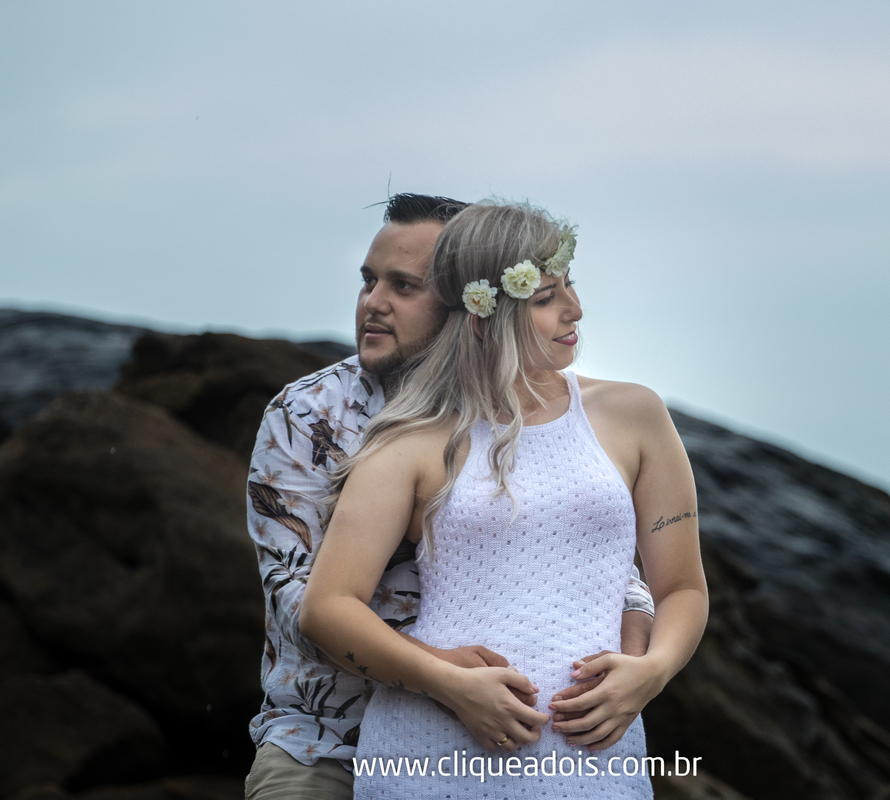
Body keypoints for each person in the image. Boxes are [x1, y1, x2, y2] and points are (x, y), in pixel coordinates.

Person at [244, 194, 657, 800]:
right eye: (368, 281)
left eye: (404, 287)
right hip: (323, 743)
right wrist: (445, 680)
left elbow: (601, 565)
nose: (373, 303)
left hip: (511, 743)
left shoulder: (535, 411)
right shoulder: (309, 415)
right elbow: (299, 598)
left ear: (471, 300)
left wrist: (631, 669)